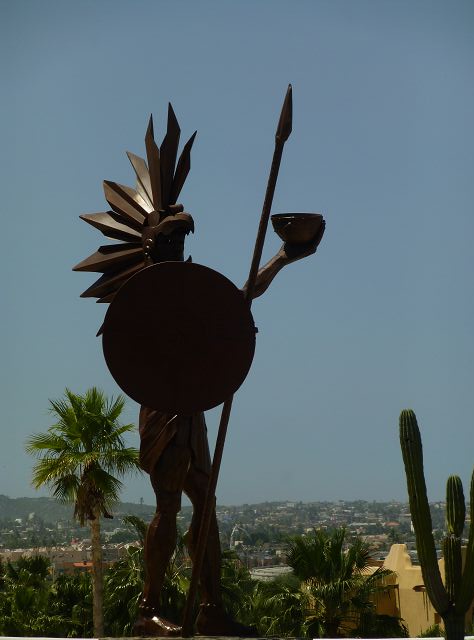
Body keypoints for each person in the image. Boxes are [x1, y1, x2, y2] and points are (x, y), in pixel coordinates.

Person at [133, 222, 324, 637]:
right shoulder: (148, 294)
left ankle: (211, 608)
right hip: (165, 409)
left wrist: (281, 258)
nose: (177, 246)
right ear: (151, 247)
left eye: (181, 240)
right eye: (168, 240)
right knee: (168, 505)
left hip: (191, 408)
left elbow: (236, 302)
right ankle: (148, 610)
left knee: (205, 503)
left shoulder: (186, 293)